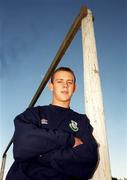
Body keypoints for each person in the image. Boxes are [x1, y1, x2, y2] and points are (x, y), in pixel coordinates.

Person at [6, 67, 98, 180]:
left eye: (70, 82)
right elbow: (22, 144)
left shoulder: (81, 120)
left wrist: (41, 155)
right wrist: (70, 140)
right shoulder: (34, 113)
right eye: (60, 81)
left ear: (75, 88)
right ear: (51, 86)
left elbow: (89, 158)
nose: (65, 85)